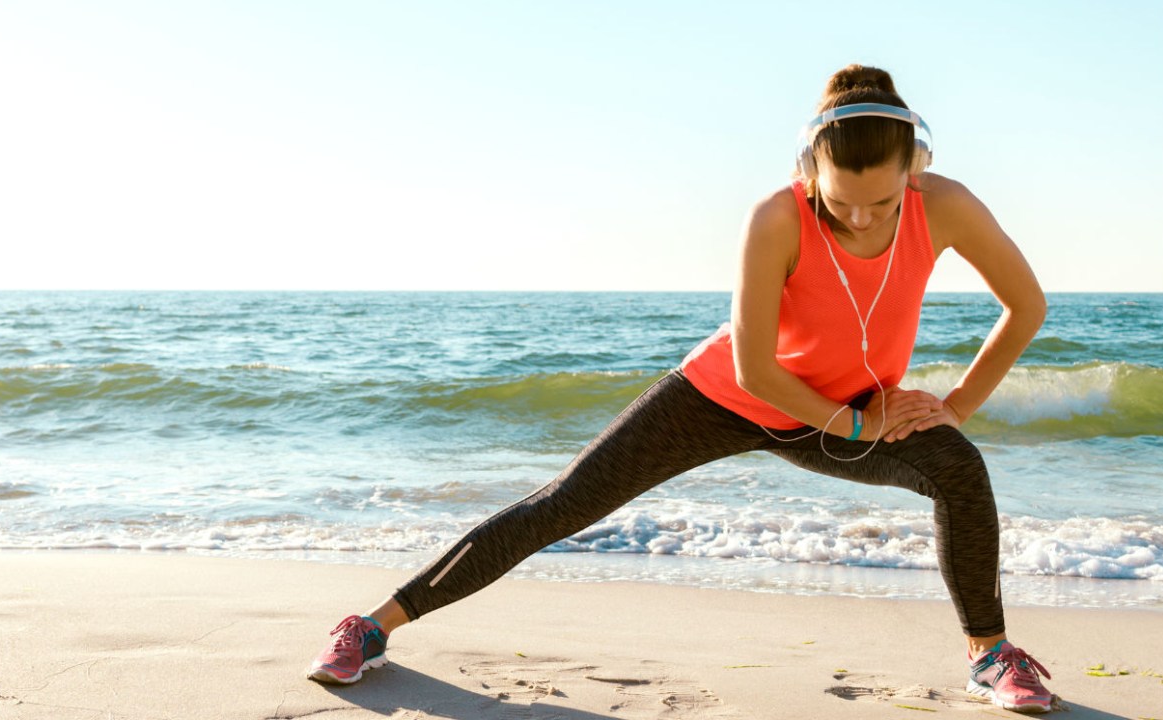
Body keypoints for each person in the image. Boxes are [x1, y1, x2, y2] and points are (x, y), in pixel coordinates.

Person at [308, 64, 1055, 714]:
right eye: (839, 201)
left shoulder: (946, 204)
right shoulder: (775, 218)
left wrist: (953, 406)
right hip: (723, 396)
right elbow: (759, 371)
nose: (860, 219)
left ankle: (990, 656)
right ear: (809, 173)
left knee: (960, 468)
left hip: (839, 412)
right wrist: (856, 428)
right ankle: (372, 627)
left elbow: (1027, 306)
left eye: (882, 204)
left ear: (913, 170)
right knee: (563, 503)